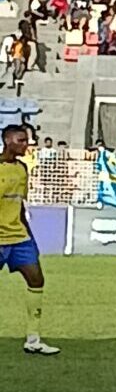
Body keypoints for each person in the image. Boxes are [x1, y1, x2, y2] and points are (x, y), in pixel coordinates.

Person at [0, 125, 55, 355]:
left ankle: (33, 339)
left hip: (19, 238)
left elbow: (20, 205)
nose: (26, 145)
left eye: (27, 140)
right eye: (22, 140)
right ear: (8, 140)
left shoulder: (22, 168)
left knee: (36, 280)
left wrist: (30, 236)